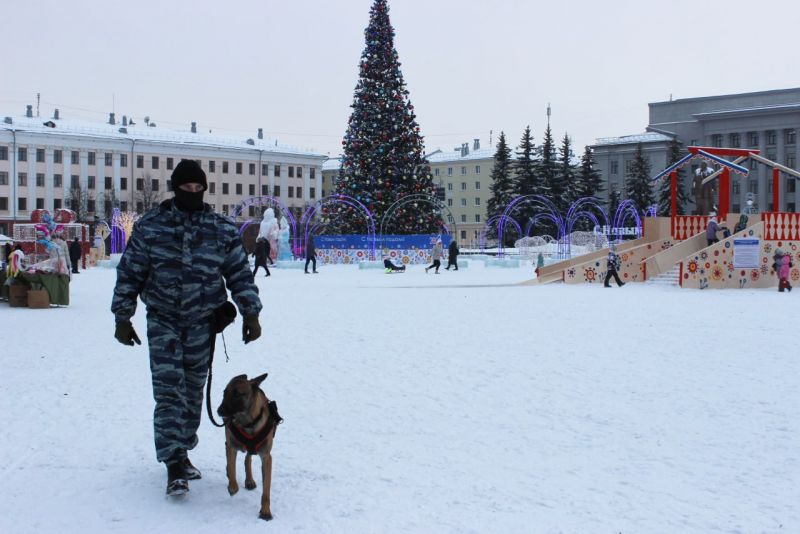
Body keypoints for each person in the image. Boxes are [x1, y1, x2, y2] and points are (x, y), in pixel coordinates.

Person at [111, 159, 263, 497]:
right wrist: (123, 316)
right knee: (169, 392)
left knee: (193, 392)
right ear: (175, 188)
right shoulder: (151, 227)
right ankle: (174, 461)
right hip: (163, 319)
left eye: (198, 188)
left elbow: (238, 272)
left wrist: (250, 312)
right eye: (186, 188)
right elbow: (130, 272)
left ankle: (183, 445)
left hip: (202, 324)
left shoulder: (219, 228)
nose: (192, 193)